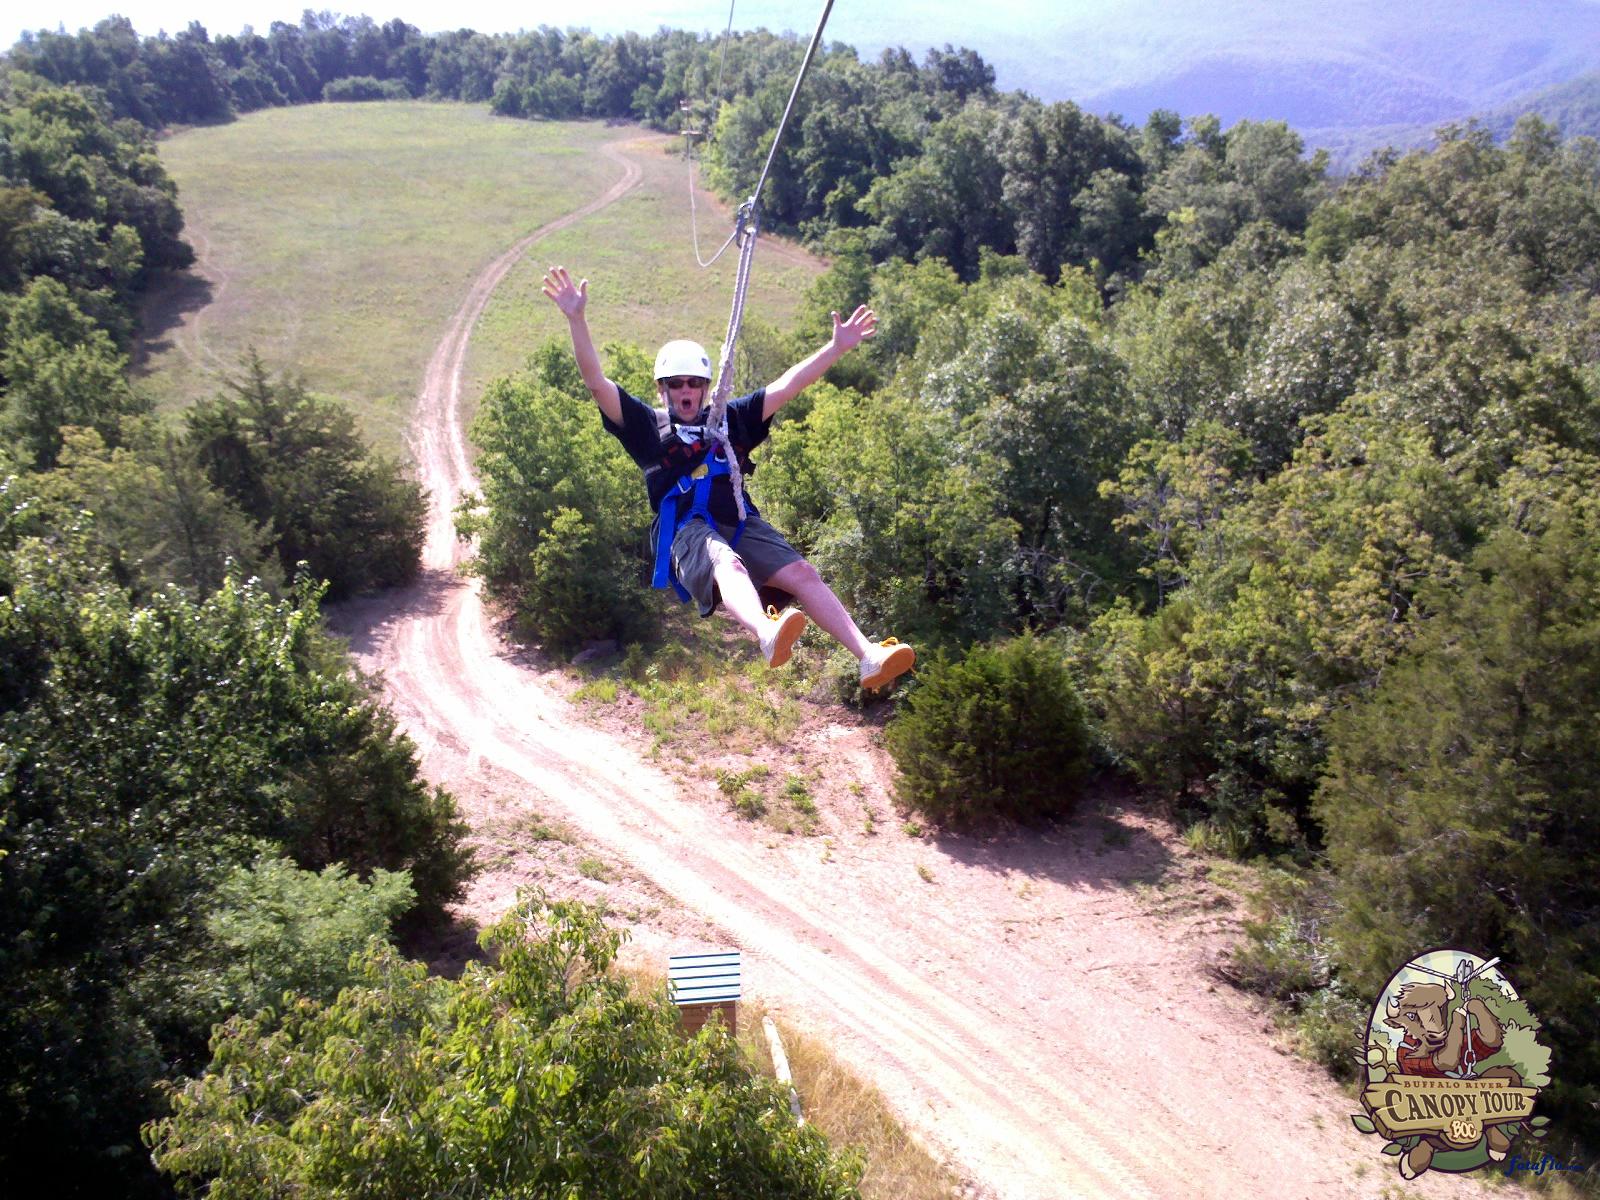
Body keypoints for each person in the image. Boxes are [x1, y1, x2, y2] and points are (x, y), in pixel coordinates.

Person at [541, 264, 914, 691]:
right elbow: (596, 383)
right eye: (676, 384)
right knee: (725, 561)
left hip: (739, 521)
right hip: (687, 531)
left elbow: (787, 386)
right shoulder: (649, 428)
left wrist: (836, 347)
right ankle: (765, 631)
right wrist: (577, 320)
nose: (685, 391)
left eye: (693, 384)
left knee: (803, 574)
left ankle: (868, 655)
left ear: (704, 388)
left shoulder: (729, 419)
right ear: (662, 389)